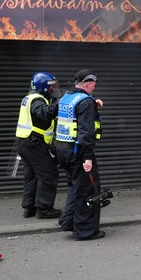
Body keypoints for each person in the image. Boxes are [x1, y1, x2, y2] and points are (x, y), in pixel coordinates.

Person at [56, 69, 105, 241]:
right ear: (88, 83)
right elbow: (86, 133)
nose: (95, 86)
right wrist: (88, 157)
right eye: (94, 83)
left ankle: (69, 221)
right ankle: (84, 230)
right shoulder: (85, 102)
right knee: (86, 189)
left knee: (74, 187)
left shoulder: (66, 98)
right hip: (78, 153)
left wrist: (93, 105)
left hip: (63, 150)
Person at [16, 72, 61, 219]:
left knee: (32, 176)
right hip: (35, 143)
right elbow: (45, 114)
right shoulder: (37, 100)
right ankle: (44, 209)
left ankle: (29, 208)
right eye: (51, 86)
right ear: (43, 86)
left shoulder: (29, 98)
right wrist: (59, 103)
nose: (53, 89)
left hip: (26, 143)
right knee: (48, 174)